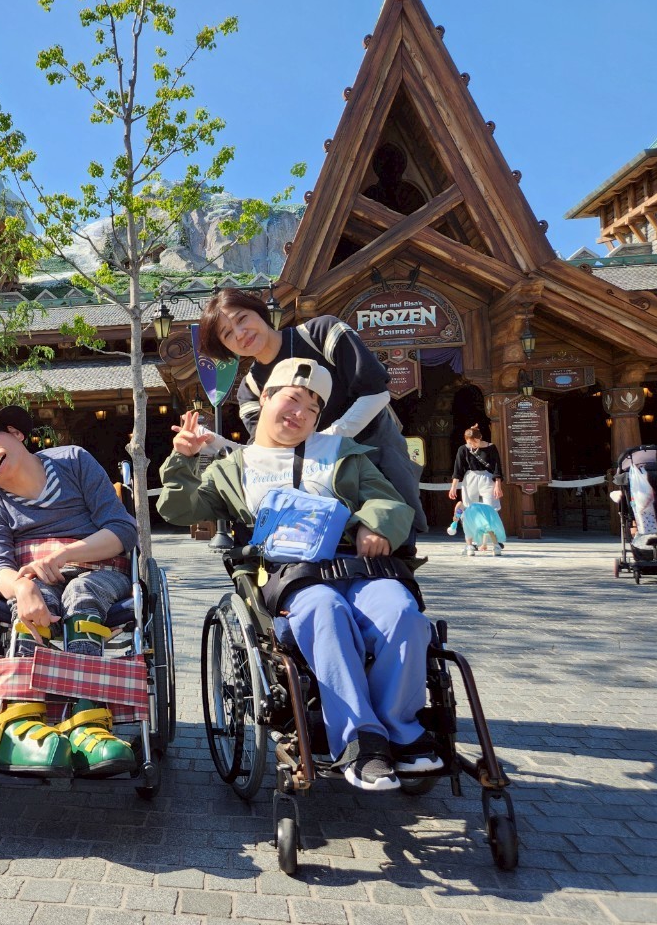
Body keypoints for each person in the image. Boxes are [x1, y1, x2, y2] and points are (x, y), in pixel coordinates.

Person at [157, 358, 441, 791]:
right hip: (293, 576)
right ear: (266, 398)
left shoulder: (342, 454)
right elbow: (179, 509)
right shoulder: (233, 467)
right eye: (292, 399)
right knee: (323, 610)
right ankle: (361, 740)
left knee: (401, 610)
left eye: (312, 408)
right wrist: (183, 459)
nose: (301, 413)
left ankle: (401, 731)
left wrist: (374, 525)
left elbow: (388, 500)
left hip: (359, 566)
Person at [0, 405, 139, 777]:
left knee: (82, 594)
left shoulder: (73, 461)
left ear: (16, 434)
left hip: (100, 570)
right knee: (26, 608)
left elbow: (122, 529)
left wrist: (66, 555)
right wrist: (21, 588)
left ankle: (89, 722)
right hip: (35, 579)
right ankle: (20, 725)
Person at [197, 289, 428, 535]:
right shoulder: (251, 391)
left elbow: (376, 393)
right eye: (227, 334)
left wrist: (329, 439)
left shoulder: (321, 333)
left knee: (395, 536)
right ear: (225, 348)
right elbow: (268, 452)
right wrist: (213, 442)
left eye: (242, 318)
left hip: (377, 454)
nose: (240, 333)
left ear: (259, 311)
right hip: (321, 483)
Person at [449, 424, 504, 552]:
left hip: (487, 478)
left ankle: (495, 540)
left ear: (480, 438)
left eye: (475, 442)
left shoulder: (491, 448)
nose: (473, 445)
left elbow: (497, 468)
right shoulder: (463, 449)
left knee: (491, 509)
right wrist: (453, 487)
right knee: (470, 509)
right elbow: (458, 470)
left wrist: (498, 485)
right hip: (470, 478)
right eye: (470, 443)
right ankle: (473, 541)